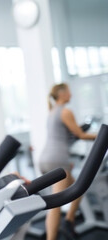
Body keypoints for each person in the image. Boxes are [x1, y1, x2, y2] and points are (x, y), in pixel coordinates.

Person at [38, 83, 97, 240]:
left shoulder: (52, 112)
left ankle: (69, 221)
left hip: (46, 159)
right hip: (57, 160)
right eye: (69, 92)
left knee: (78, 188)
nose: (71, 95)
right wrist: (102, 135)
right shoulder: (66, 111)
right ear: (62, 94)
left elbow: (66, 135)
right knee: (56, 203)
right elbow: (81, 135)